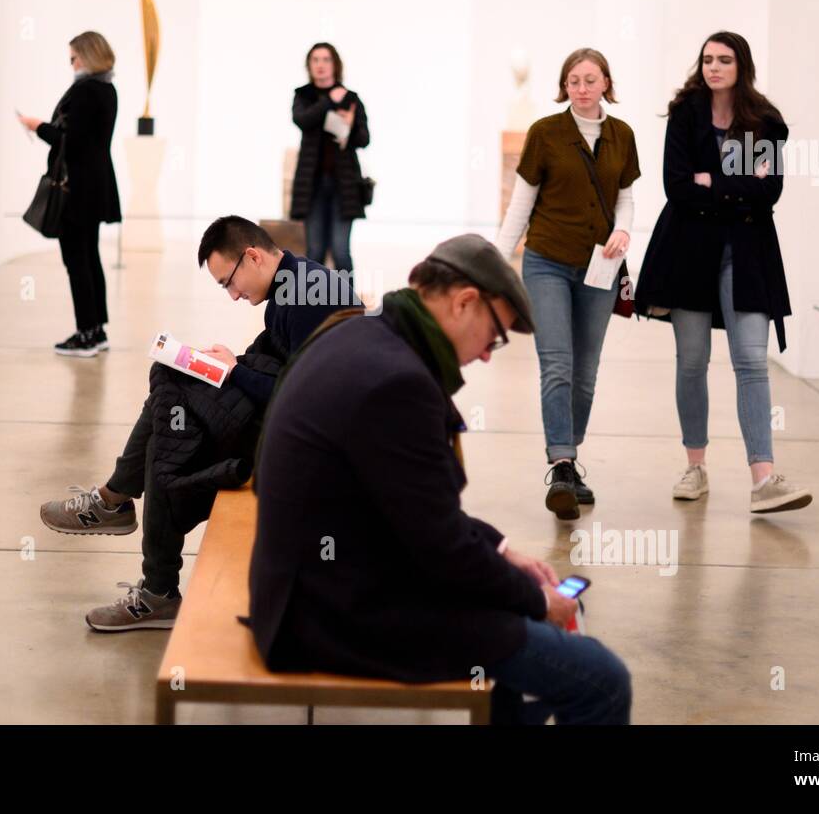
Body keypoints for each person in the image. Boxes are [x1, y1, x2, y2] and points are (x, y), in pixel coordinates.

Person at [248, 234, 631, 724]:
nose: (489, 356)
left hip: (313, 583)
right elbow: (440, 547)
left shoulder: (362, 333)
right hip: (335, 612)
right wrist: (537, 599)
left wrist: (500, 550)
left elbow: (413, 505)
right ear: (465, 302)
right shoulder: (398, 381)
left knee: (518, 635)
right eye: (495, 337)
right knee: (601, 678)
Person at [37, 216, 358, 630]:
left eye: (228, 281)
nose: (232, 295)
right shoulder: (296, 283)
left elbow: (305, 398)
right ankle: (134, 546)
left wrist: (234, 373)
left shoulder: (309, 297)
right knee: (171, 400)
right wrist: (229, 365)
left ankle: (124, 524)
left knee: (169, 431)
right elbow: (286, 366)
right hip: (281, 416)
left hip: (308, 438)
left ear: (253, 256)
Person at [635, 31, 812, 513]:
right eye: (708, 59)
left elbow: (768, 191)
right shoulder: (686, 113)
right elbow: (676, 186)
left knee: (751, 361)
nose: (714, 67)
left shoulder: (763, 122)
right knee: (692, 360)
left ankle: (764, 478)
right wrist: (734, 186)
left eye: (724, 60)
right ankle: (696, 466)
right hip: (689, 251)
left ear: (741, 66)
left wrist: (711, 182)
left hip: (747, 251)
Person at [496, 48, 640, 519]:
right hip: (547, 262)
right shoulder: (545, 133)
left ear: (605, 84)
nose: (582, 87)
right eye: (574, 80)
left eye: (590, 79)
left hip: (600, 265)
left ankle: (569, 459)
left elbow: (625, 197)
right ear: (565, 86)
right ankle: (562, 462)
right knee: (557, 363)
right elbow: (521, 204)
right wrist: (495, 264)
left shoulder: (622, 135)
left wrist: (624, 229)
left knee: (586, 371)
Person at [18, 30, 121, 357]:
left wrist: (37, 126)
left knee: (77, 259)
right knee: (89, 257)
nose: (72, 64)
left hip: (76, 189)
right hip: (95, 185)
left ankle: (86, 334)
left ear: (88, 56)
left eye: (74, 58)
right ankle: (97, 330)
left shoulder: (85, 92)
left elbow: (69, 141)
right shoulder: (107, 89)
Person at [288, 42, 370, 276]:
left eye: (326, 60)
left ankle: (348, 308)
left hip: (344, 186)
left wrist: (351, 126)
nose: (320, 65)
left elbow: (364, 139)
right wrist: (328, 101)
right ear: (309, 65)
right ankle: (312, 306)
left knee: (341, 250)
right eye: (315, 60)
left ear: (335, 64)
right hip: (312, 186)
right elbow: (302, 119)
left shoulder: (351, 98)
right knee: (314, 251)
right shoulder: (303, 95)